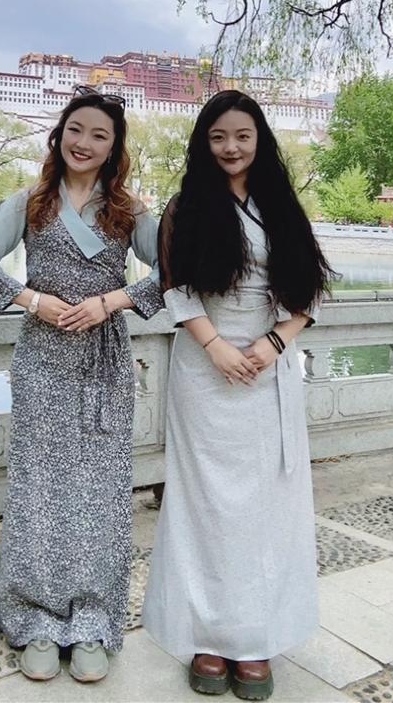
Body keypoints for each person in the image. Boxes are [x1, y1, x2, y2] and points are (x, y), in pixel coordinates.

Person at [0, 86, 162, 685]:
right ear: (59, 135)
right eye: (76, 129)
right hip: (42, 357)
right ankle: (36, 619)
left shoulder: (129, 211)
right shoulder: (29, 202)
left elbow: (176, 271)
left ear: (114, 148)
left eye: (100, 135)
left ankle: (92, 619)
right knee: (39, 487)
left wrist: (111, 301)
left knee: (100, 490)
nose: (84, 143)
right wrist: (33, 300)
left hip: (104, 359)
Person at [142, 90, 334, 701]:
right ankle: (206, 636)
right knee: (205, 506)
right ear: (204, 143)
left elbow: (310, 288)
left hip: (268, 367)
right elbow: (174, 286)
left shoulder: (282, 206)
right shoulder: (185, 208)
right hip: (204, 369)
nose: (231, 147)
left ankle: (255, 638)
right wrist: (216, 346)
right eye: (218, 136)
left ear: (260, 141)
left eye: (242, 136)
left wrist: (275, 342)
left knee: (266, 508)